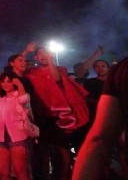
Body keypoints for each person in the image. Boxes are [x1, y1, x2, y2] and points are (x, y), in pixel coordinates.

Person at [72, 51, 128, 180]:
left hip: (122, 120)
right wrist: (95, 55)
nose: (100, 68)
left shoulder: (123, 71)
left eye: (103, 66)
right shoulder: (94, 82)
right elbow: (80, 74)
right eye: (97, 66)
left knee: (121, 148)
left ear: (108, 68)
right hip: (103, 119)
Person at [25, 45, 89, 180]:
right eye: (41, 54)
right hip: (40, 116)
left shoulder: (60, 69)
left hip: (59, 115)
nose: (44, 55)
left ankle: (64, 177)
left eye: (47, 53)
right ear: (36, 57)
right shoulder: (31, 73)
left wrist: (50, 61)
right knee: (42, 151)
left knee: (63, 149)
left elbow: (57, 79)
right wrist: (25, 52)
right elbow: (14, 67)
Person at [0, 71, 33, 180]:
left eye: (9, 81)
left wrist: (19, 84)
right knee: (2, 172)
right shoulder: (0, 99)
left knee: (20, 171)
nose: (5, 84)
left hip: (17, 137)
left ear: (14, 82)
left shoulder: (19, 96)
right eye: (3, 82)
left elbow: (24, 100)